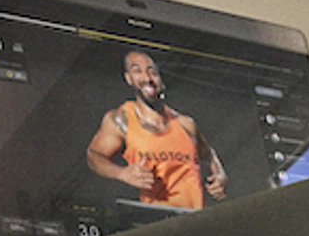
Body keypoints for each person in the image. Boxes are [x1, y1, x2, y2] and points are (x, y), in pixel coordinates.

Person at [84, 47, 225, 211]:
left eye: (152, 72)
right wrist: (122, 173)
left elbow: (208, 154)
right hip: (157, 221)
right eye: (137, 71)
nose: (147, 77)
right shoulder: (121, 120)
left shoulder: (185, 123)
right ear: (129, 79)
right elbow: (94, 156)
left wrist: (220, 175)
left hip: (196, 218)